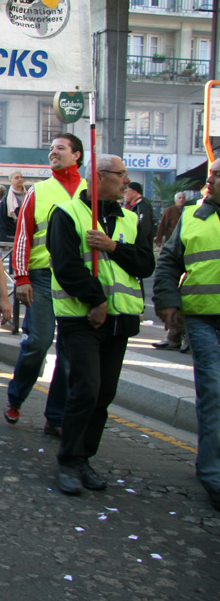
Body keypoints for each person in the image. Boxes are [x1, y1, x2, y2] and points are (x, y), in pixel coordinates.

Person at [48, 155, 154, 495]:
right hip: (82, 318)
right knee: (86, 389)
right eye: (120, 175)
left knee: (104, 393)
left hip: (120, 318)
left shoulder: (131, 219)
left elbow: (145, 263)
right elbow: (65, 265)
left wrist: (113, 247)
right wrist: (95, 300)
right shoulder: (67, 214)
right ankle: (68, 460)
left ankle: (84, 457)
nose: (126, 181)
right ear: (99, 176)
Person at [5, 134, 86, 436]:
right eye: (51, 149)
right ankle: (16, 397)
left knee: (68, 353)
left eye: (60, 148)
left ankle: (56, 417)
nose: (53, 152)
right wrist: (22, 277)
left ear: (76, 155)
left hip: (77, 280)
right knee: (37, 343)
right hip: (41, 277)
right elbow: (23, 236)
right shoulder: (38, 191)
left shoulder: (90, 191)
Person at [153, 157, 220, 510]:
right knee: (214, 392)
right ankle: (213, 474)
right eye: (214, 175)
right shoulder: (194, 216)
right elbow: (169, 261)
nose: (214, 180)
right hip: (203, 320)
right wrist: (167, 300)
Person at [153, 192, 189, 351]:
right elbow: (169, 263)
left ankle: (177, 337)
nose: (182, 200)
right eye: (179, 198)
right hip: (176, 246)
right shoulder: (190, 214)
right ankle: (175, 336)